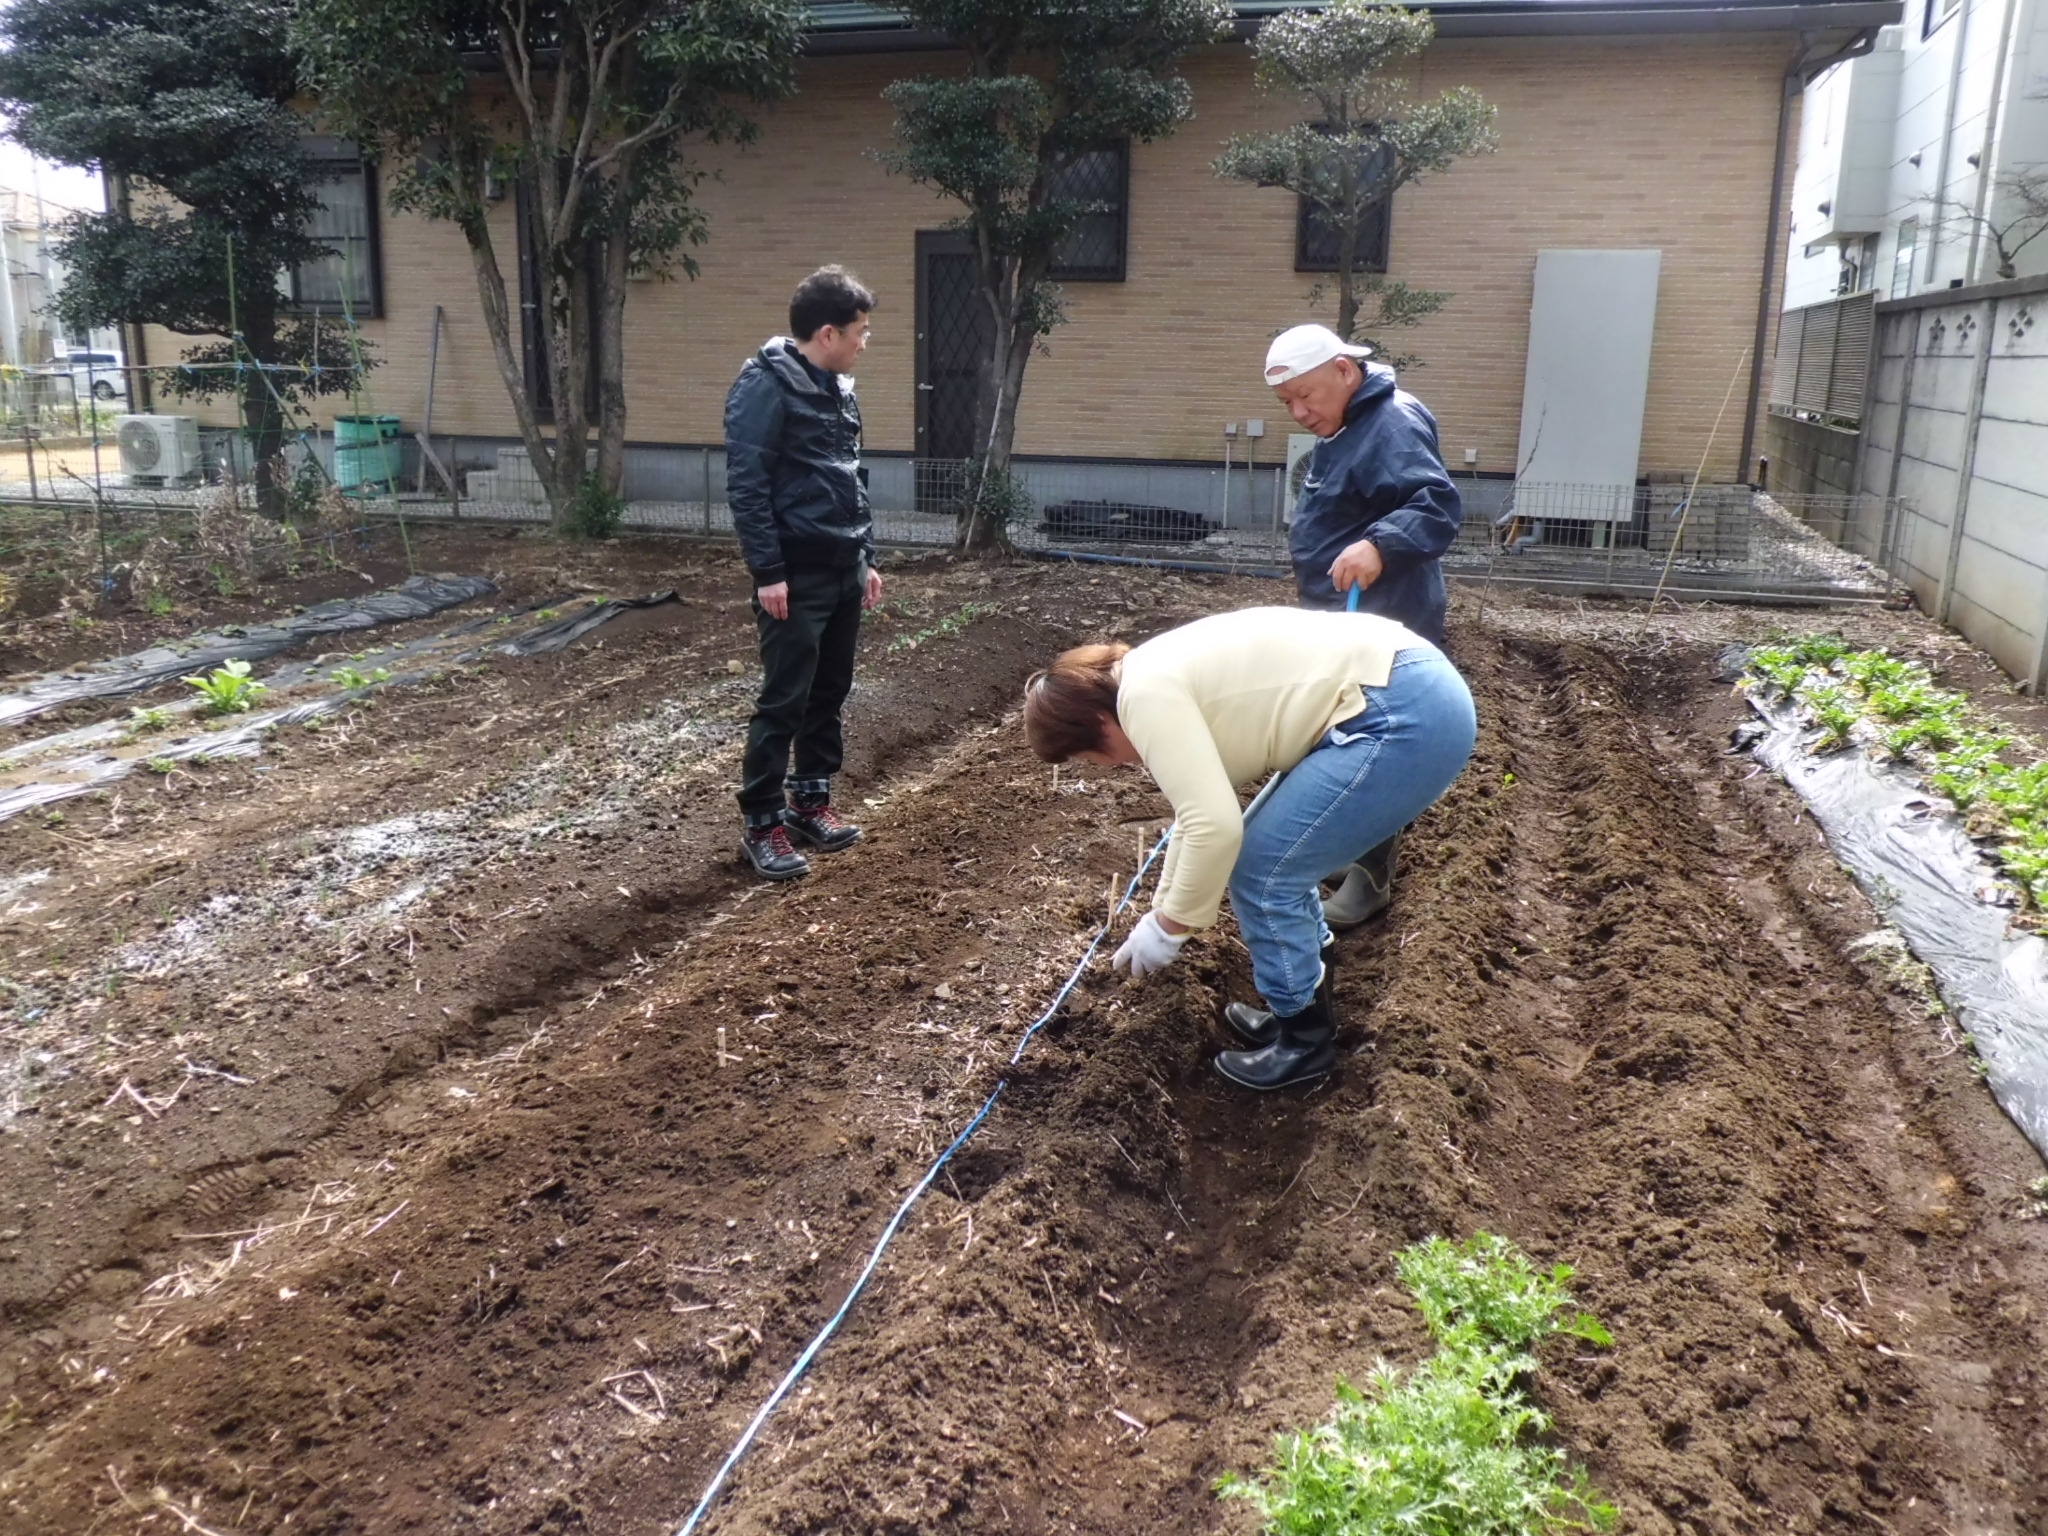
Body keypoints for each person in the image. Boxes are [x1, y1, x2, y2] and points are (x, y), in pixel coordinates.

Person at [1022, 607, 1476, 1092]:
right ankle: (1299, 1009)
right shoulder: (1144, 673)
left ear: (1096, 720)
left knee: (1265, 873)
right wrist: (1161, 910)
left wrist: (1170, 928)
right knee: (1271, 860)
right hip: (1398, 686)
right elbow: (1195, 817)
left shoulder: (1142, 696)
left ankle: (1305, 1043)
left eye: (1087, 754)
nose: (1105, 766)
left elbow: (1213, 827)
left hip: (1400, 711)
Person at [1265, 323, 1464, 932]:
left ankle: (1372, 877)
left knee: (1373, 745)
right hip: (1348, 615)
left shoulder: (1390, 423)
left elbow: (1435, 505)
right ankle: (1350, 847)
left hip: (1386, 616)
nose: (1300, 413)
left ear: (1344, 371)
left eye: (1306, 395)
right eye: (1287, 402)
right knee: (1342, 736)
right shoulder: (1350, 424)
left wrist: (1379, 544)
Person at [726, 266, 885, 881]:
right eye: (860, 331)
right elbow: (748, 485)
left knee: (829, 691)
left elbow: (851, 477)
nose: (865, 342)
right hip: (793, 575)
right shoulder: (764, 386)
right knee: (784, 699)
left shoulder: (838, 387)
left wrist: (865, 557)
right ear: (827, 333)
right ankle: (762, 823)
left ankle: (810, 803)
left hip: (843, 566)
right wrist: (768, 572)